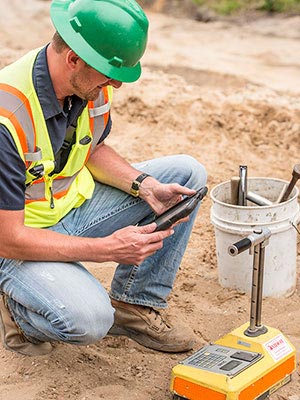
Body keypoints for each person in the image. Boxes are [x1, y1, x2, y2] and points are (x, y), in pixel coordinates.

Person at [0, 0, 207, 356]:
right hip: (18, 242)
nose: (116, 84)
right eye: (110, 73)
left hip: (72, 209)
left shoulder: (88, 84)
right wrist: (106, 249)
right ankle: (17, 313)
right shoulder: (7, 117)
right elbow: (8, 239)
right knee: (90, 320)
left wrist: (144, 184)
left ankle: (134, 305)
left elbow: (92, 149)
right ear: (74, 59)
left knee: (188, 173)